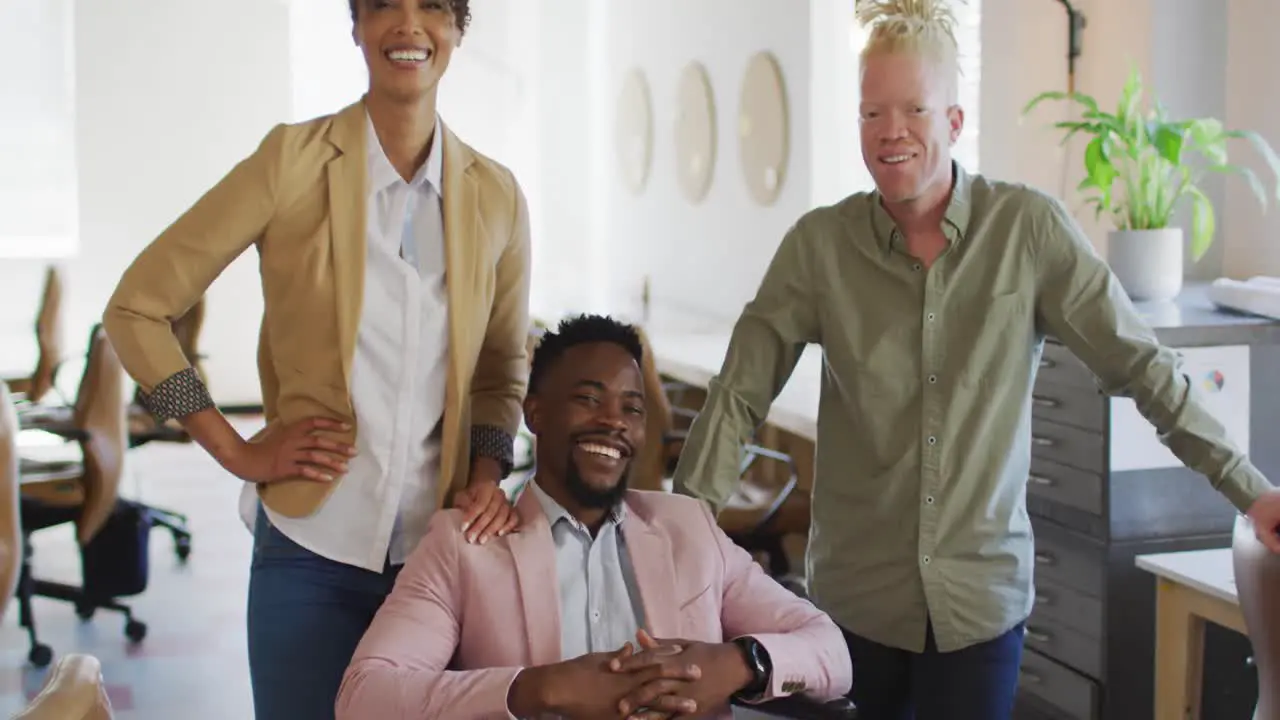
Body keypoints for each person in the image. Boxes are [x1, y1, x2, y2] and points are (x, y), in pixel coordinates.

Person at [670, 0, 1280, 718]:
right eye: (871, 113)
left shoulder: (1027, 232)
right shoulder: (820, 247)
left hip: (979, 610)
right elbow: (740, 393)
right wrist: (677, 544)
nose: (890, 132)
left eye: (913, 110)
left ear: (954, 122)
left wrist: (1251, 491)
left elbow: (1143, 366)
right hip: (852, 608)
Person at [101, 1, 530, 717]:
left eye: (432, 8)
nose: (408, 26)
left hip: (439, 559)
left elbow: (500, 369)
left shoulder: (496, 196)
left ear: (458, 30)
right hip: (309, 549)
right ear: (356, 25)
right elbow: (135, 308)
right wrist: (236, 453)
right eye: (384, 6)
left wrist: (488, 474)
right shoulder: (291, 162)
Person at [334, 315, 852, 720]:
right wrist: (539, 689)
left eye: (632, 408)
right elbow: (365, 697)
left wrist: (742, 663)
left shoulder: (688, 529)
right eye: (587, 399)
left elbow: (831, 649)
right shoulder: (465, 545)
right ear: (534, 414)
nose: (613, 422)